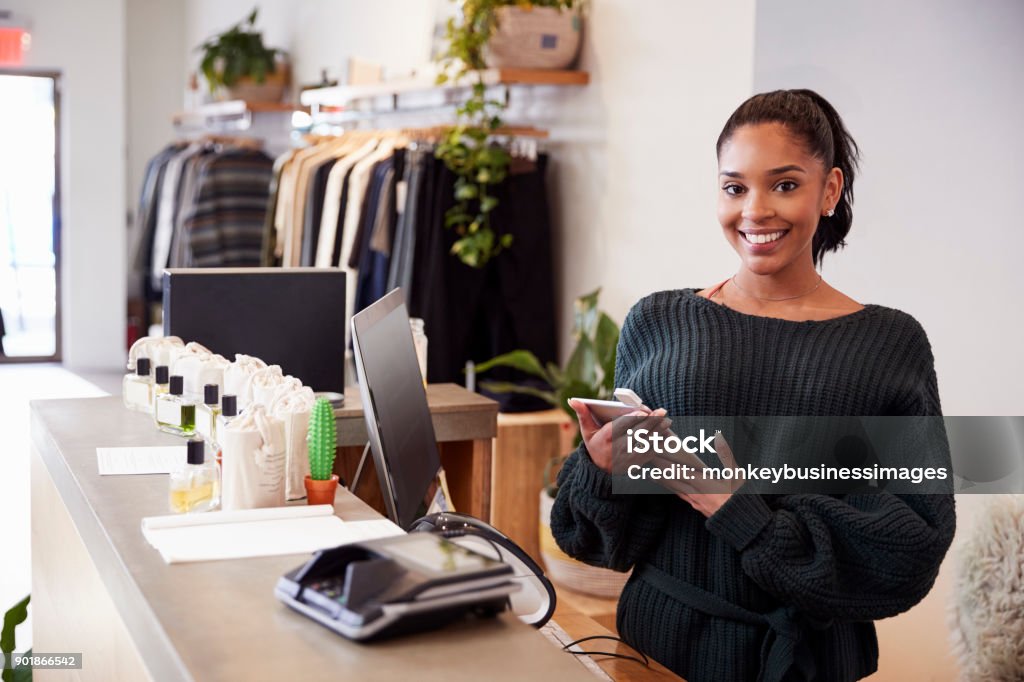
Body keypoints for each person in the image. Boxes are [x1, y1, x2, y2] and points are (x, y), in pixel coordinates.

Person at [552, 89, 956, 682]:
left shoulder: (890, 344)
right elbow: (593, 540)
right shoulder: (658, 321)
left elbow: (912, 545)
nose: (755, 210)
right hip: (653, 654)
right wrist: (604, 468)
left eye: (785, 185)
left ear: (830, 190)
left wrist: (744, 513)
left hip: (806, 665)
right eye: (734, 187)